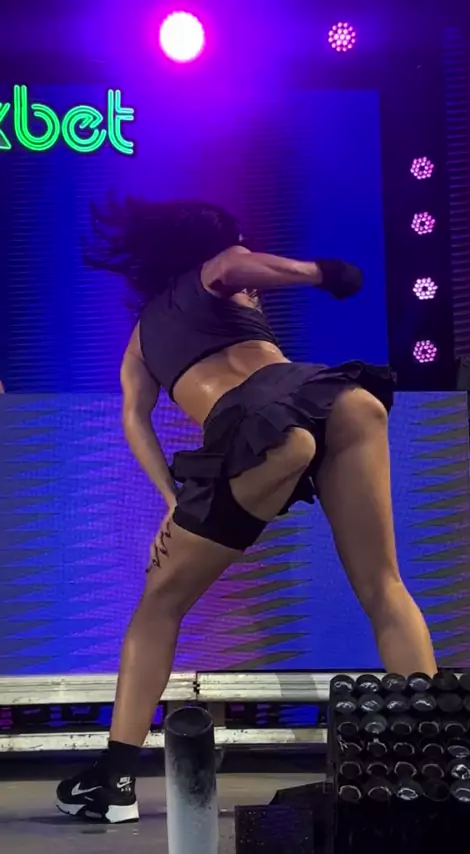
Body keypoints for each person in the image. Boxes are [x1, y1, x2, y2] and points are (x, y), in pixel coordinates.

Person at [56, 198, 436, 823]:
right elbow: (236, 264)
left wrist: (172, 497)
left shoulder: (140, 342)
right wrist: (322, 273)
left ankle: (114, 781)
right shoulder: (219, 271)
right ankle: (432, 759)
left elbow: (135, 418)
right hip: (337, 397)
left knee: (159, 605)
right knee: (384, 586)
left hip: (257, 434)